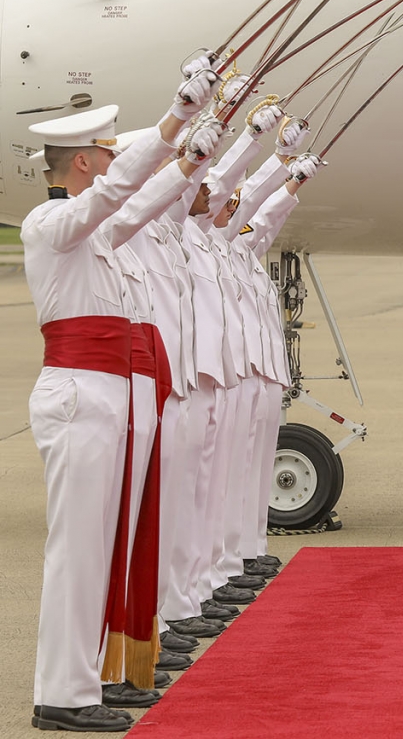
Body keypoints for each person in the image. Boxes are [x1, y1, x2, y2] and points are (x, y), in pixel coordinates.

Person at [23, 67, 216, 733]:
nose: (112, 161)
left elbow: (133, 204)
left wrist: (187, 153)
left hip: (113, 398)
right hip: (81, 398)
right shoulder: (52, 223)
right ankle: (63, 693)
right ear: (84, 161)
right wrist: (169, 122)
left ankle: (96, 677)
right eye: (106, 151)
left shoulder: (96, 234)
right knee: (78, 552)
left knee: (106, 551)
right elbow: (113, 198)